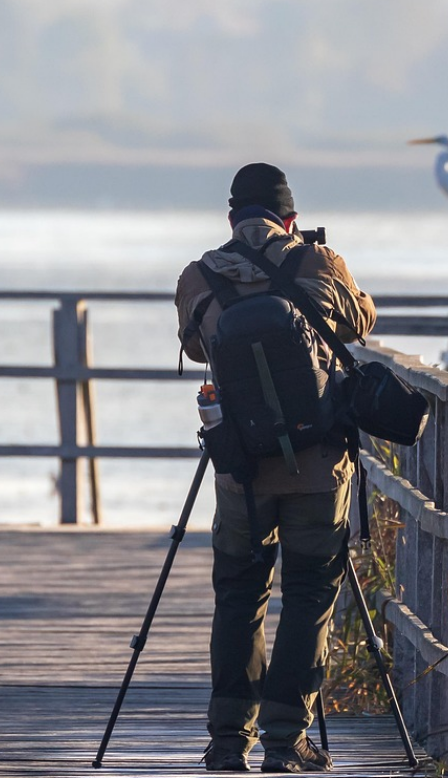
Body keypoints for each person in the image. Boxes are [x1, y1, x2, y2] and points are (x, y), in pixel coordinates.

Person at [175, 163, 376, 773]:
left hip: (241, 467)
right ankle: (286, 742)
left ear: (232, 219)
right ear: (289, 219)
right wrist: (319, 260)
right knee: (311, 591)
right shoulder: (319, 265)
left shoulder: (199, 276)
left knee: (239, 592)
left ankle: (228, 741)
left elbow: (193, 346)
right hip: (319, 464)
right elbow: (361, 321)